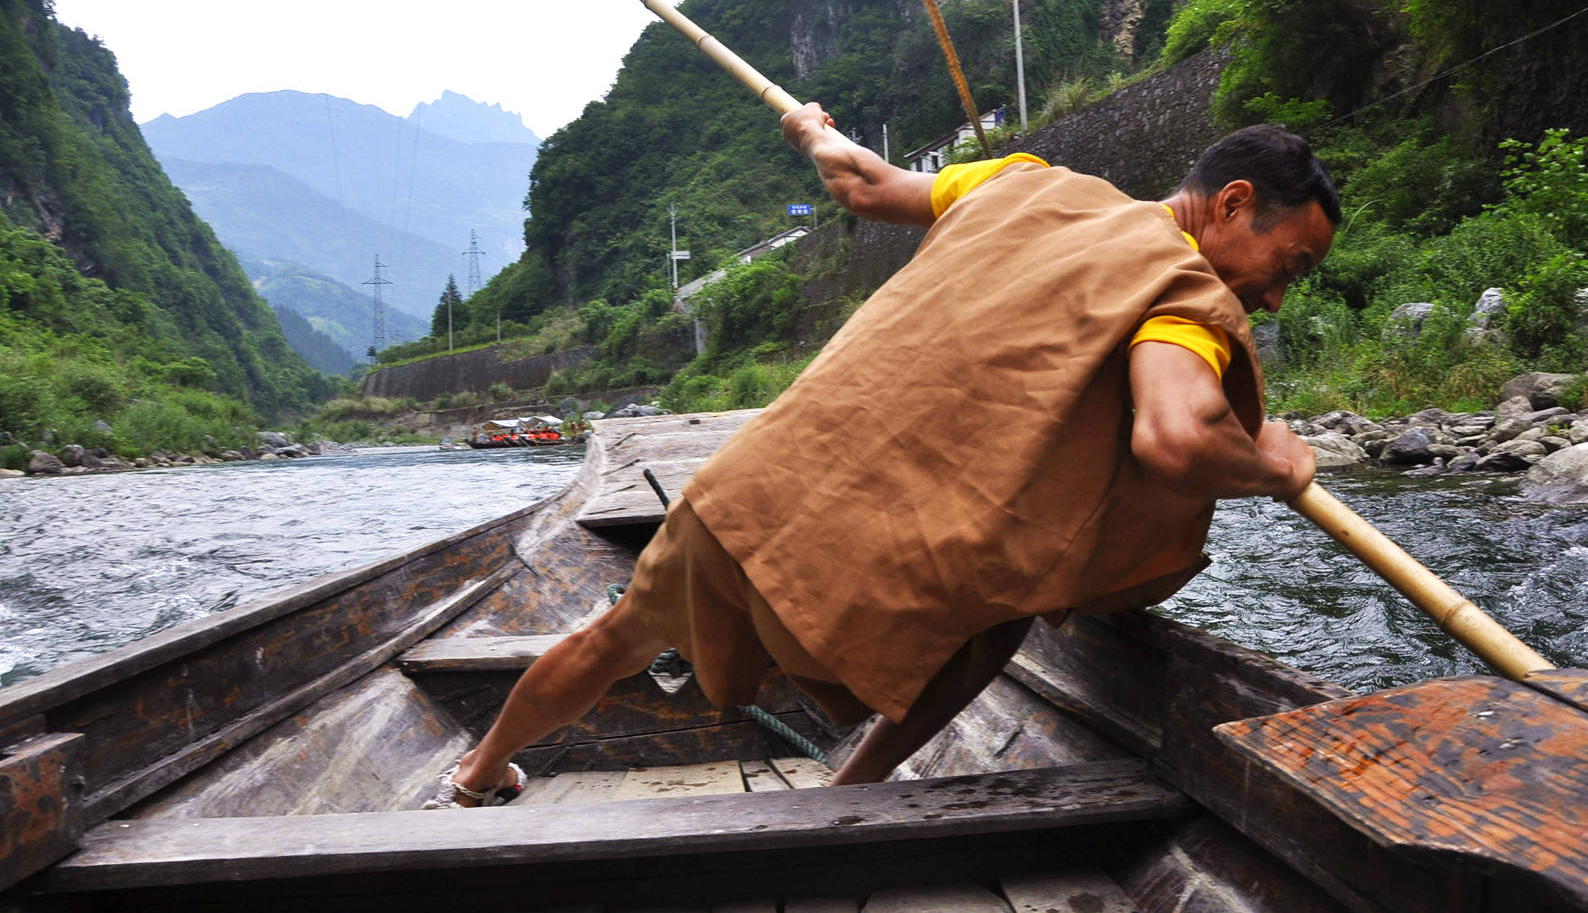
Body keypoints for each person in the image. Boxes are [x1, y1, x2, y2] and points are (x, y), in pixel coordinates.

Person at [428, 103, 1338, 807]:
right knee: (1006, 610)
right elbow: (1177, 438)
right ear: (1232, 204)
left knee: (616, 637)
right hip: (889, 562)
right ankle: (850, 794)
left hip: (755, 489)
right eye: (1289, 265)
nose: (1278, 298)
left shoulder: (1025, 181)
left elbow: (863, 185)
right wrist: (1278, 466)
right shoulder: (1185, 293)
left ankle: (477, 776)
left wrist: (814, 132)